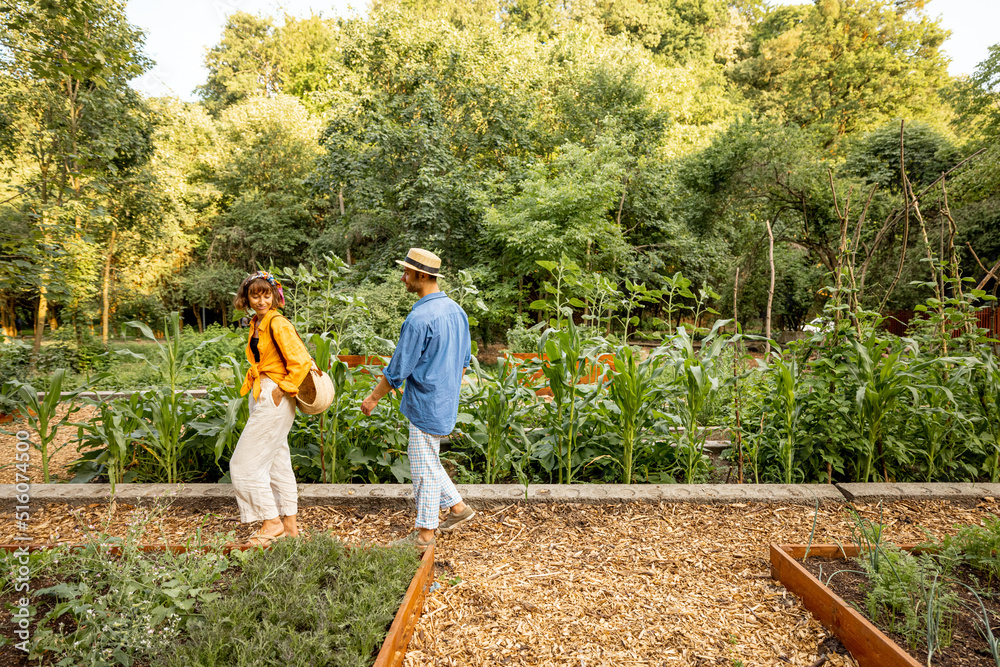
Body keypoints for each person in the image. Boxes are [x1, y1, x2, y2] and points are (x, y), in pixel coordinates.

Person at [361, 248, 476, 551]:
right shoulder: (457, 311)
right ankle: (458, 508)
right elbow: (464, 361)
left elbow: (398, 368)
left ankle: (424, 534)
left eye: (407, 273)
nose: (403, 278)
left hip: (425, 402)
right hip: (445, 400)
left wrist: (373, 399)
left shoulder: (419, 318)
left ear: (422, 276)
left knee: (423, 468)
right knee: (428, 459)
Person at [230, 271, 312, 545]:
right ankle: (289, 529)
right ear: (247, 297)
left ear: (275, 296)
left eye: (266, 294)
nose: (261, 300)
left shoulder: (278, 323)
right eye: (255, 295)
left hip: (274, 394)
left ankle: (271, 521)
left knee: (243, 465)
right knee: (277, 465)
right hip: (263, 390)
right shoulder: (257, 323)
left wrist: (282, 390)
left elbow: (301, 361)